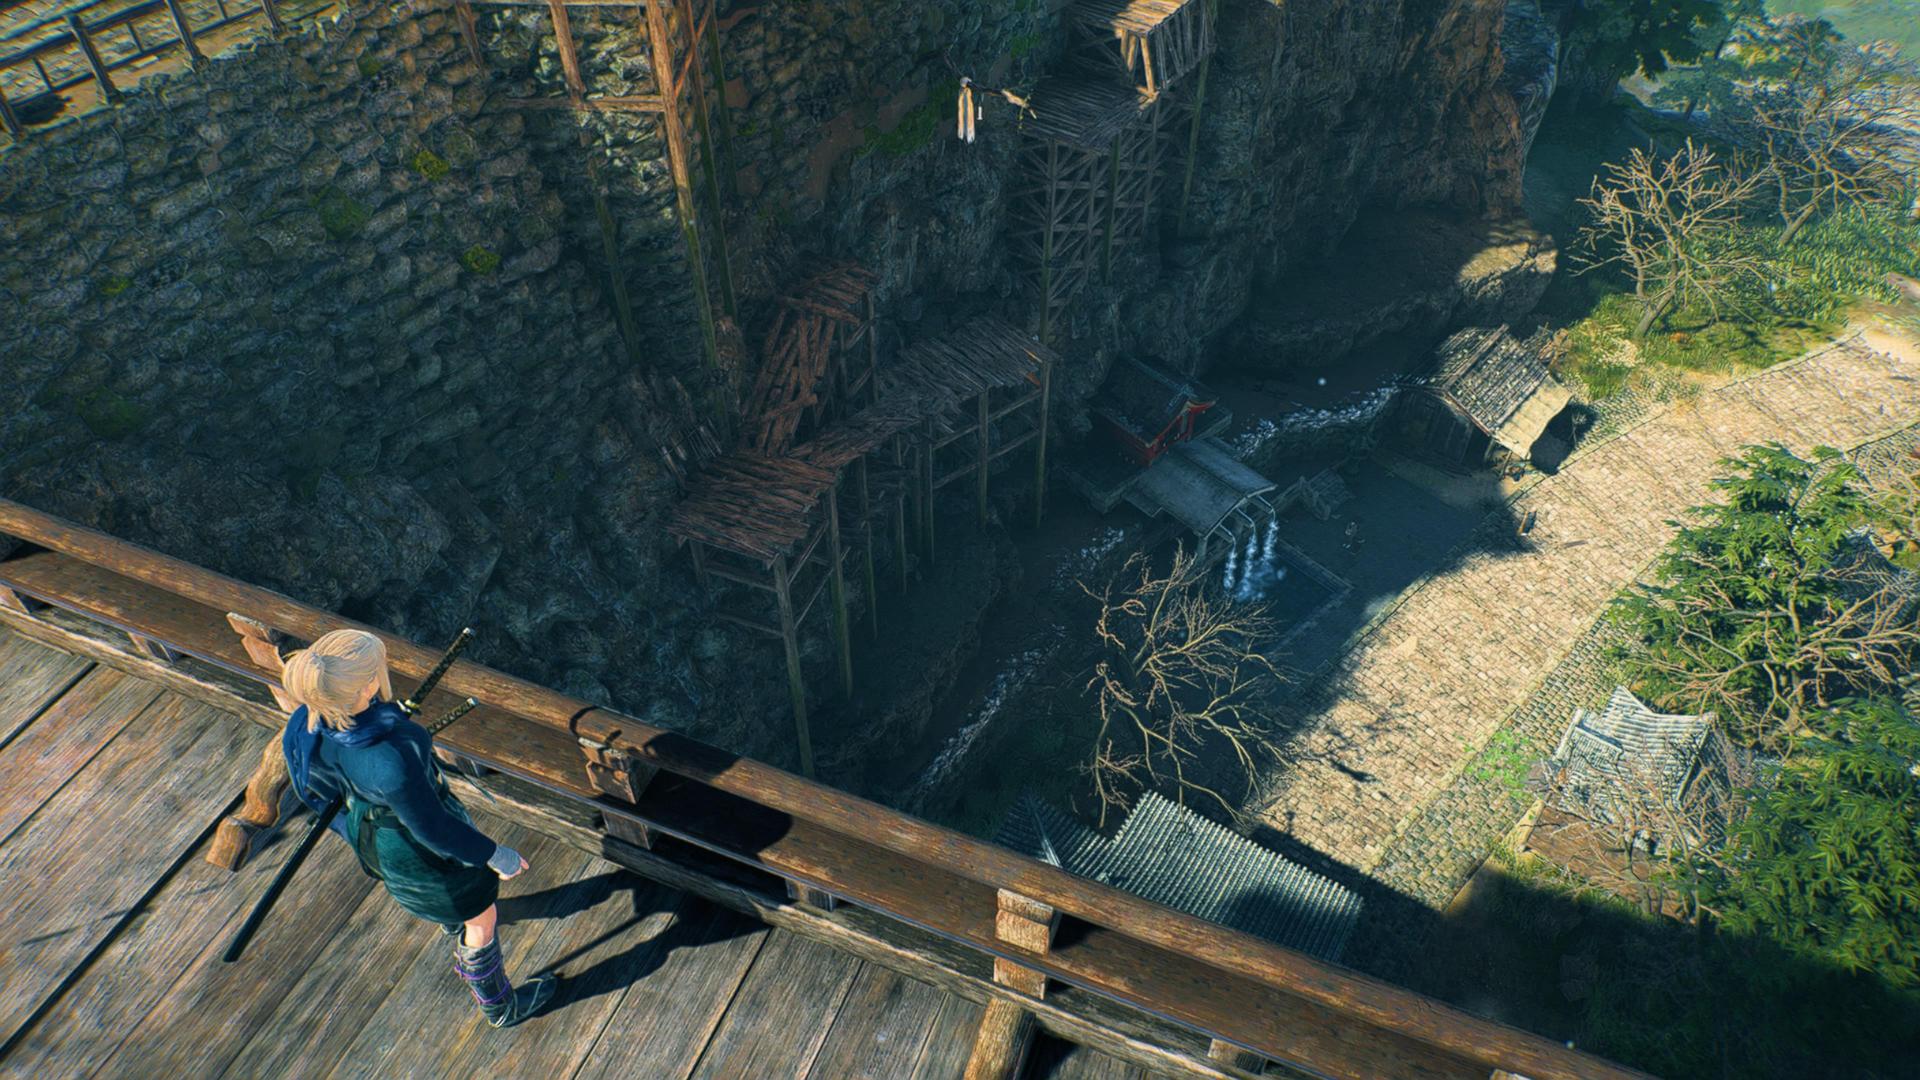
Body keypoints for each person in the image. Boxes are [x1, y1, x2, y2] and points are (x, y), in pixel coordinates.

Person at [277, 629, 557, 1028]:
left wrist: (353, 831)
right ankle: (499, 1006)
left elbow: (315, 793)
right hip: (416, 851)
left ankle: (450, 917)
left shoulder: (303, 723)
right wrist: (495, 855)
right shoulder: (391, 761)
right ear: (367, 684)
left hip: (372, 833)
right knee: (481, 919)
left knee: (448, 901)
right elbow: (434, 829)